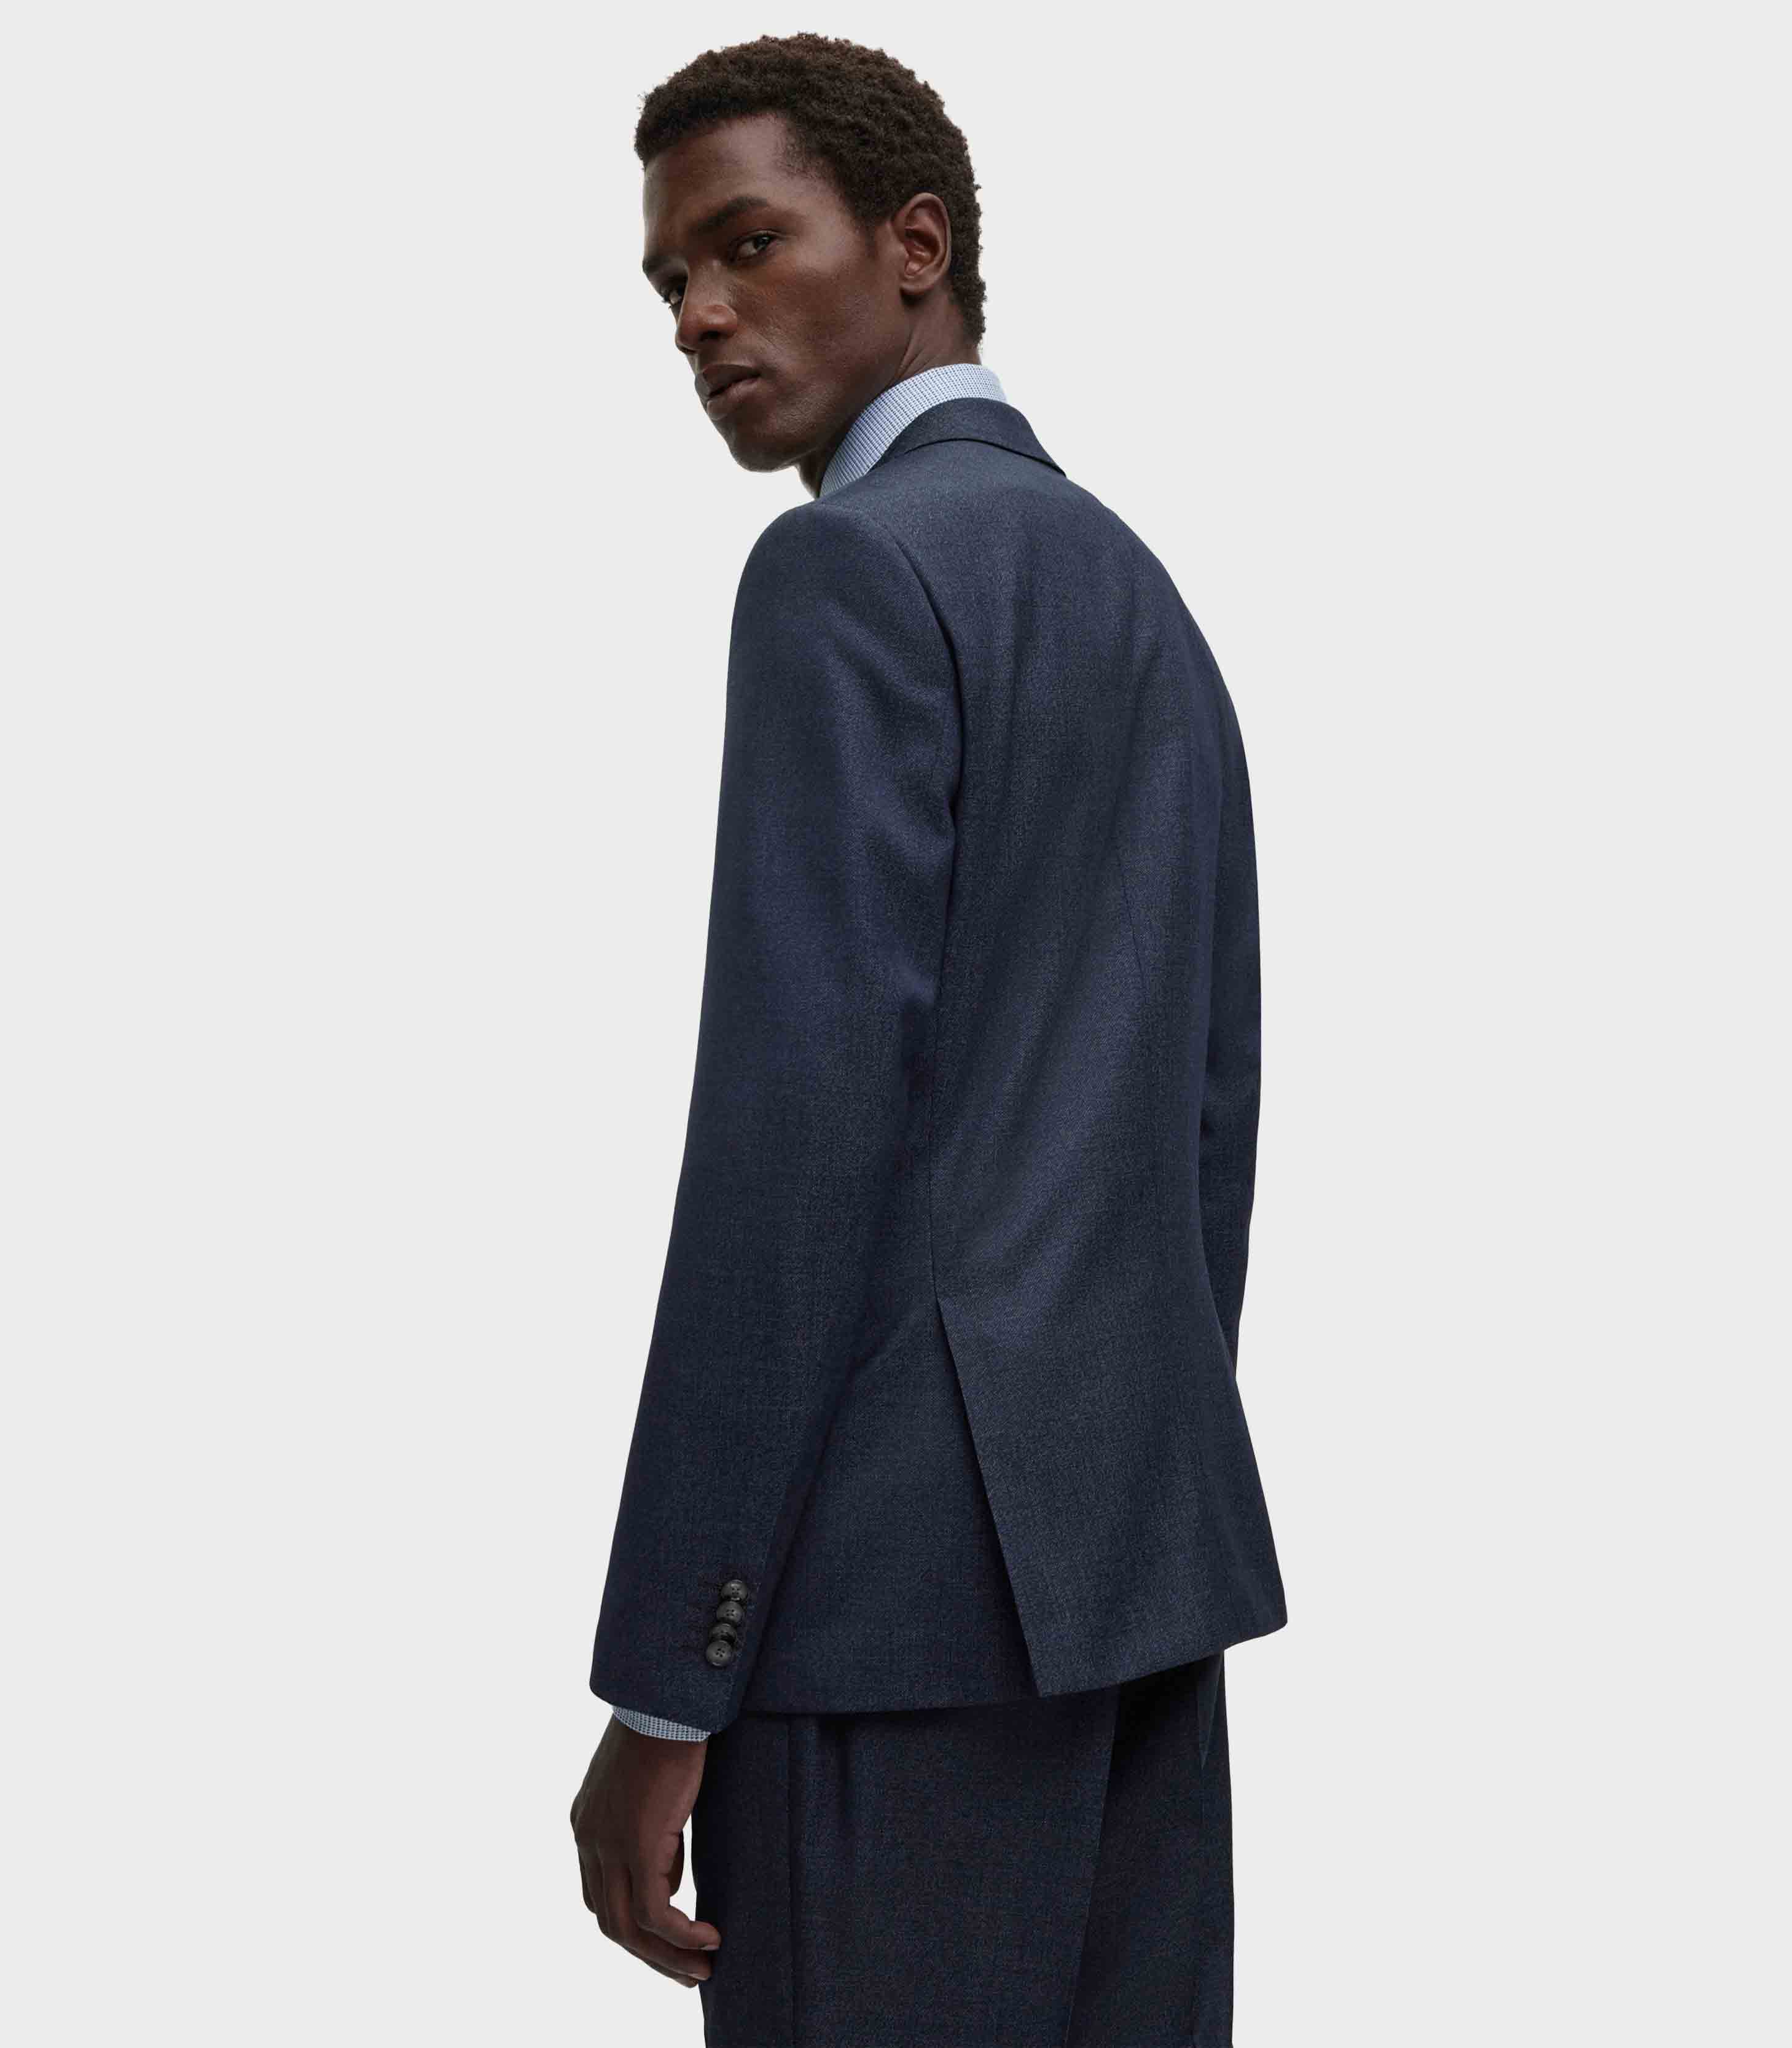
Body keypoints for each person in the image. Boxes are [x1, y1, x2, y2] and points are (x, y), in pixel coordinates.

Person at [570, 32, 1285, 2045]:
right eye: (672, 281)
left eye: (746, 244)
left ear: (915, 245)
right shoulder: (1138, 591)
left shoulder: (845, 570)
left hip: (878, 1630)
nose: (699, 315)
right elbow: (1207, 1111)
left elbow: (793, 1149)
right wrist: (1101, 1483)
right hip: (1134, 1589)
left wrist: (668, 1678)